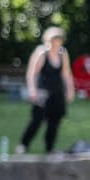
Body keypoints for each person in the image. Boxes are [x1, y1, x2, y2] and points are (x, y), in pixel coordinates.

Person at [19, 26, 74, 154]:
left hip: (57, 92)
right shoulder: (42, 53)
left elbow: (66, 73)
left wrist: (70, 89)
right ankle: (23, 144)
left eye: (59, 39)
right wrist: (32, 90)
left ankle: (50, 148)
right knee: (37, 120)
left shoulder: (63, 53)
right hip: (43, 92)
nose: (56, 42)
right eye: (54, 39)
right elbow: (32, 73)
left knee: (54, 121)